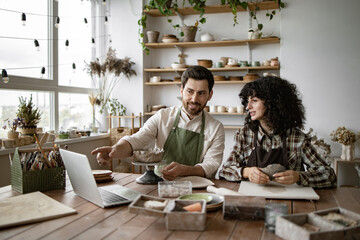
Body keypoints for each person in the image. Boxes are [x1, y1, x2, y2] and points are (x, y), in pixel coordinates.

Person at [92, 66, 225, 181]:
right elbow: (138, 139)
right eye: (190, 92)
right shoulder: (163, 116)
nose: (194, 99)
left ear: (210, 95)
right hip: (159, 183)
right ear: (182, 90)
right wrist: (115, 149)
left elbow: (211, 164)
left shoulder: (216, 128)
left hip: (197, 188)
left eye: (201, 93)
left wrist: (185, 170)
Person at [219, 76, 337, 188]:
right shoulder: (244, 135)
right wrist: (246, 172)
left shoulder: (298, 138)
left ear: (273, 103)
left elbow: (329, 175)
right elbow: (224, 171)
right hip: (252, 199)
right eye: (247, 101)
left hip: (290, 202)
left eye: (254, 100)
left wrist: (299, 176)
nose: (248, 106)